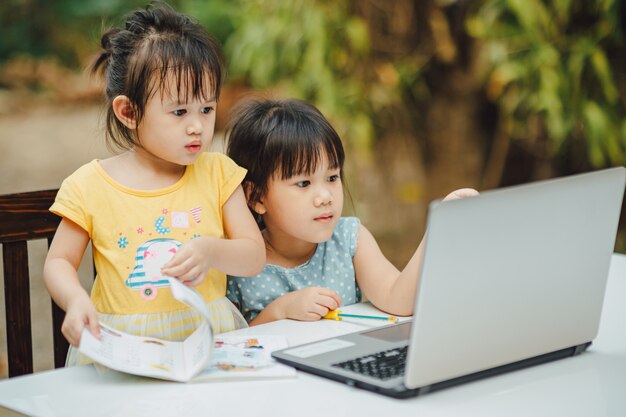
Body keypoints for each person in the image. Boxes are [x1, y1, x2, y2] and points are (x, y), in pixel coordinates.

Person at [43, 2, 265, 365]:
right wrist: (75, 298)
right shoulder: (90, 185)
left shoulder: (217, 173)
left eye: (206, 109)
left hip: (207, 342)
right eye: (179, 112)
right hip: (124, 348)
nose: (197, 126)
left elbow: (254, 256)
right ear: (128, 112)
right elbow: (58, 263)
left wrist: (211, 250)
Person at [225, 98, 478, 325]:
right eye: (304, 183)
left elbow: (398, 299)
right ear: (256, 197)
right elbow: (231, 346)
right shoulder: (238, 261)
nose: (325, 197)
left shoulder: (348, 239)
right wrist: (281, 310)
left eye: (332, 177)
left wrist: (438, 229)